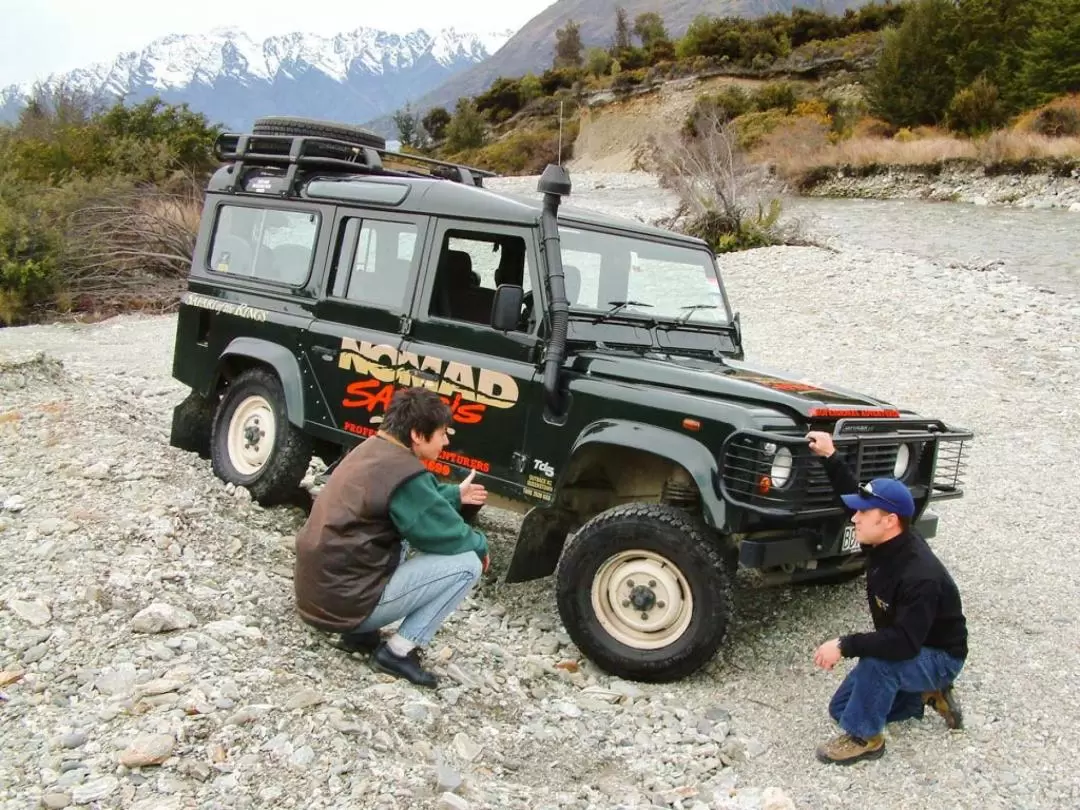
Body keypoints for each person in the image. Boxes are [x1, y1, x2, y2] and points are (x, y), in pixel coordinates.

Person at [293, 387, 490, 688]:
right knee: (468, 564)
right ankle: (398, 653)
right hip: (345, 605)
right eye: (442, 433)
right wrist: (480, 545)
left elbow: (416, 499)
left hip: (318, 596)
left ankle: (358, 636)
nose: (447, 441)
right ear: (417, 434)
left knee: (399, 529)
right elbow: (442, 532)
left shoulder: (371, 450)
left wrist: (454, 495)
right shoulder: (404, 472)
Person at [805, 430, 968, 765]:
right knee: (840, 709)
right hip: (913, 642)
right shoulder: (884, 539)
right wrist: (830, 455)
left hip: (939, 655)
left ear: (890, 520)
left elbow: (904, 644)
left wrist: (844, 644)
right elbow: (850, 495)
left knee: (878, 662)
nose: (854, 517)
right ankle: (922, 696)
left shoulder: (919, 575)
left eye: (863, 513)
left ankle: (868, 739)